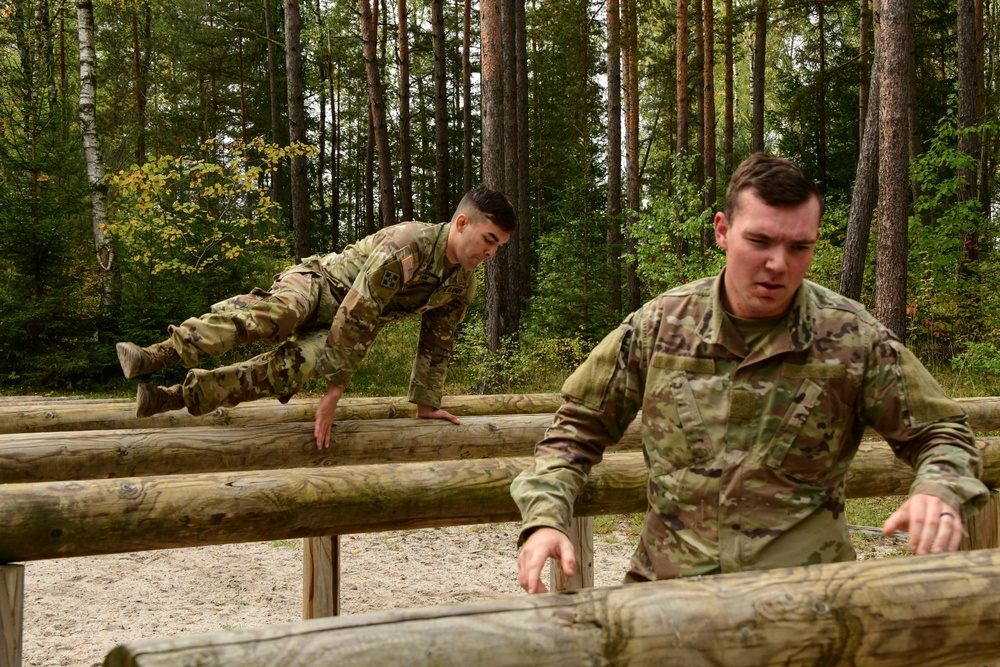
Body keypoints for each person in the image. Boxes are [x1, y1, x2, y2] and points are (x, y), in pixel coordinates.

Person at [511, 153, 988, 594]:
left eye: (800, 247)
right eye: (759, 241)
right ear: (722, 230)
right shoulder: (660, 326)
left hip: (808, 604)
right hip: (671, 603)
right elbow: (575, 430)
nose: (778, 264)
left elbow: (941, 433)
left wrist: (939, 488)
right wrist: (546, 516)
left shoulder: (851, 337)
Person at [117, 186, 516, 449]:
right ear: (462, 224)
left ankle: (172, 397)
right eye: (488, 241)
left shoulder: (461, 284)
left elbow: (437, 345)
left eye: (499, 247)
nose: (491, 254)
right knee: (280, 315)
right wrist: (333, 393)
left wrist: (426, 403)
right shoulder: (407, 244)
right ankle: (159, 354)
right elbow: (360, 308)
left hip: (340, 326)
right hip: (320, 286)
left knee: (294, 368)